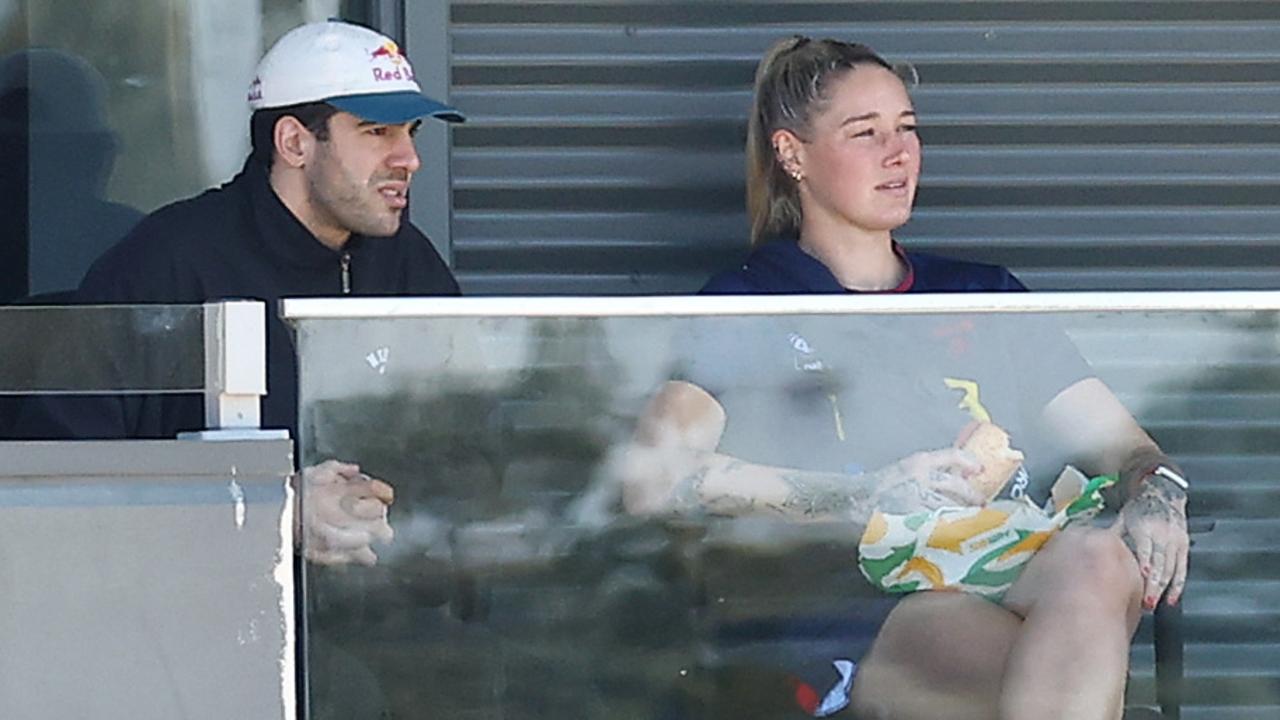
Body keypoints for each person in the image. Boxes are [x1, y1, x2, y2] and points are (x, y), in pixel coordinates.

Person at [621, 37, 1189, 720]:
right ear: (791, 154)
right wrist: (865, 494)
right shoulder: (751, 303)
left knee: (1101, 560)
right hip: (866, 607)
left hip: (1005, 563)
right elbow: (650, 476)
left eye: (908, 130)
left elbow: (1125, 447)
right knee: (1040, 673)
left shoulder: (979, 292)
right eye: (865, 134)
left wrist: (1160, 494)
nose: (899, 154)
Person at [11, 20, 465, 566]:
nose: (409, 159)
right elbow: (63, 481)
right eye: (377, 132)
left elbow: (465, 439)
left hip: (382, 619)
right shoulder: (166, 263)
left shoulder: (409, 263)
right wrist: (275, 510)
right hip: (198, 622)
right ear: (295, 142)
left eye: (411, 132)